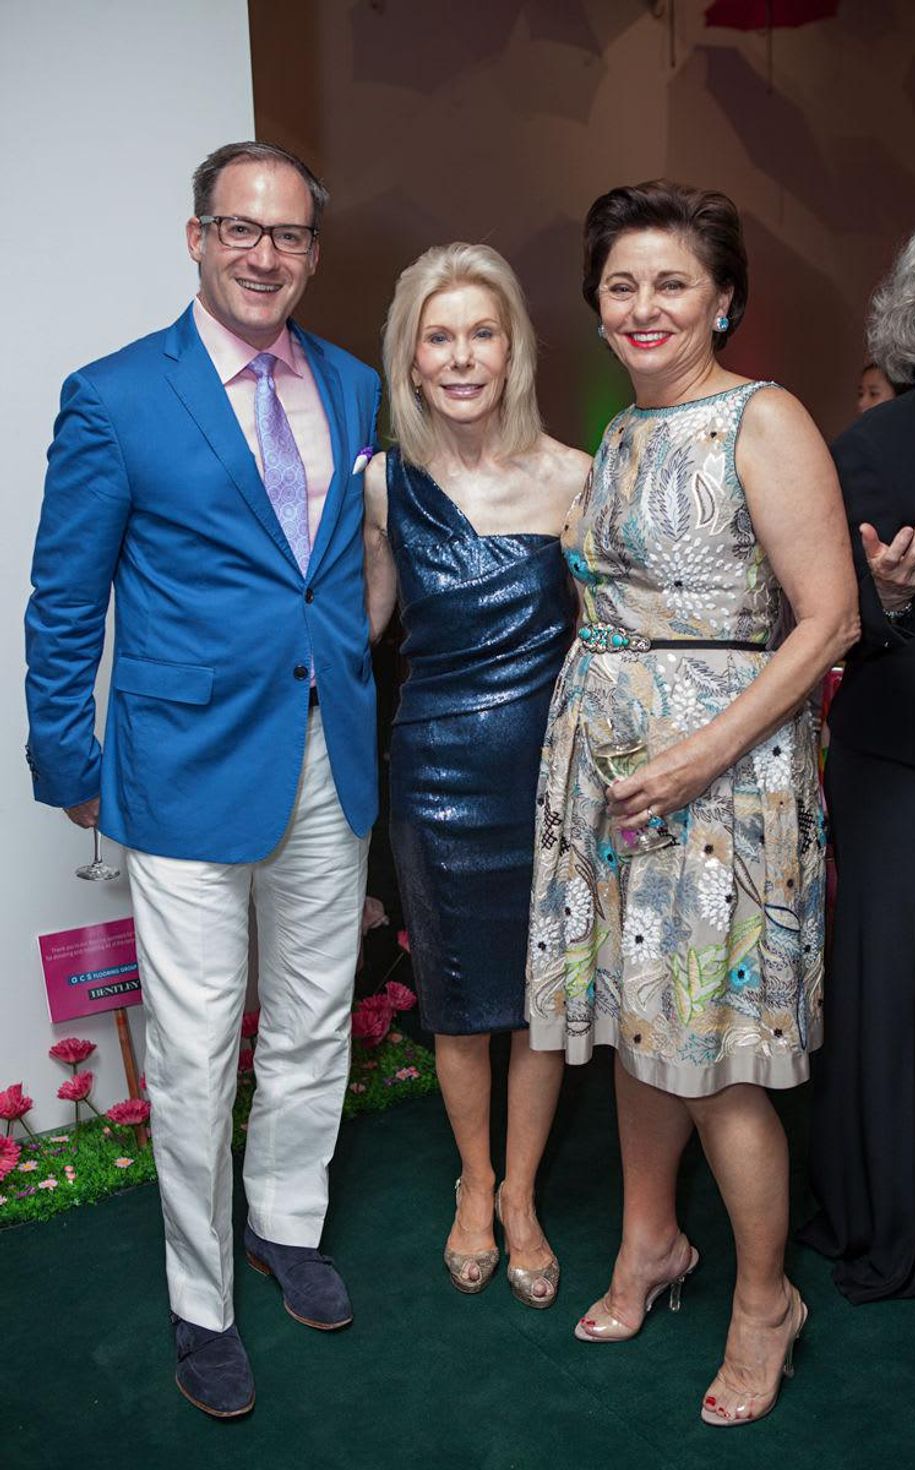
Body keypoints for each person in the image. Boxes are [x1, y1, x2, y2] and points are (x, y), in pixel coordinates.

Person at [25, 141, 381, 1418]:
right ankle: (202, 1295)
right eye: (240, 229)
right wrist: (71, 760)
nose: (263, 254)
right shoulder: (116, 396)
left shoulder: (351, 386)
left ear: (310, 253)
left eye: (286, 235)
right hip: (178, 767)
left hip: (328, 756)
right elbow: (66, 601)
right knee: (191, 1049)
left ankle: (288, 1223)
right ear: (195, 237)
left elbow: (332, 575)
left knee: (310, 1016)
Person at [525, 180, 858, 1424]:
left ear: (722, 296)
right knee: (633, 1021)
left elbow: (827, 619)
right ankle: (649, 1242)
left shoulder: (759, 421)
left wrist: (695, 753)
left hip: (720, 784)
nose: (644, 305)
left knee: (713, 1057)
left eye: (671, 282)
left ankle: (765, 1299)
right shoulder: (618, 431)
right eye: (620, 285)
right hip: (614, 781)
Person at [363, 243, 588, 1307]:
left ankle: (521, 1198)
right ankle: (473, 1179)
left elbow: (611, 649)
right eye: (438, 337)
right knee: (457, 1003)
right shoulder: (379, 486)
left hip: (547, 781)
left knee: (539, 1004)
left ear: (513, 349)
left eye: (480, 334)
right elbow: (357, 630)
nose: (460, 357)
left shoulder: (575, 475)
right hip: (436, 775)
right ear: (409, 361)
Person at [801, 206, 915, 1303]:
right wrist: (894, 596)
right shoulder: (872, 447)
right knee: (892, 1005)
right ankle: (885, 1220)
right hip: (910, 775)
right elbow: (816, 616)